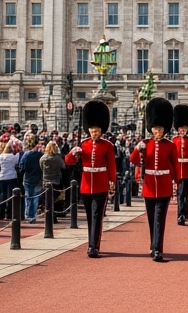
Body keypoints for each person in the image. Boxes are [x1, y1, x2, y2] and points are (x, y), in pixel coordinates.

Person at [64, 100, 117, 257]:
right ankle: (90, 242)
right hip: (86, 185)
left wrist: (111, 183)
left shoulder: (107, 145)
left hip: (101, 185)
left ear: (101, 131)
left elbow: (112, 166)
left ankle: (94, 246)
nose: (94, 133)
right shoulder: (83, 144)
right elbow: (69, 162)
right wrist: (73, 153)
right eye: (92, 130)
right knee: (88, 216)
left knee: (97, 216)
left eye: (97, 131)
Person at [139, 98, 178, 262]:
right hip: (149, 185)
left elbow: (175, 166)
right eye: (155, 128)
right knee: (151, 218)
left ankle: (157, 249)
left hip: (164, 185)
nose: (158, 131)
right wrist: (137, 148)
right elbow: (135, 160)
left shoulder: (170, 145)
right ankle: (153, 244)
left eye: (160, 128)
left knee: (159, 219)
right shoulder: (145, 144)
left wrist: (175, 183)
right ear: (151, 128)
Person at [172, 104, 188, 225]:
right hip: (178, 170)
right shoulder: (174, 140)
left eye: (184, 129)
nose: (182, 131)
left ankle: (185, 213)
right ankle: (180, 214)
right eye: (180, 129)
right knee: (180, 193)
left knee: (186, 193)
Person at [17, 135, 43, 223]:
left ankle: (28, 214)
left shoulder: (26, 154)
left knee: (28, 197)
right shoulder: (40, 155)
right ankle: (33, 216)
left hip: (28, 177)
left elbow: (21, 166)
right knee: (35, 197)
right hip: (37, 177)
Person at [40, 141, 65, 222]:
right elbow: (63, 166)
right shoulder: (58, 158)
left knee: (48, 200)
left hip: (46, 181)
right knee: (54, 200)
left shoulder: (43, 158)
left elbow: (41, 167)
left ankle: (48, 216)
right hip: (56, 181)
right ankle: (53, 216)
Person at [0, 139, 19, 219]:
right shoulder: (14, 156)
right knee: (10, 195)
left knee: (3, 195)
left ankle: (1, 213)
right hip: (12, 176)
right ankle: (9, 214)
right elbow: (17, 161)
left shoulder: (1, 156)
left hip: (2, 176)